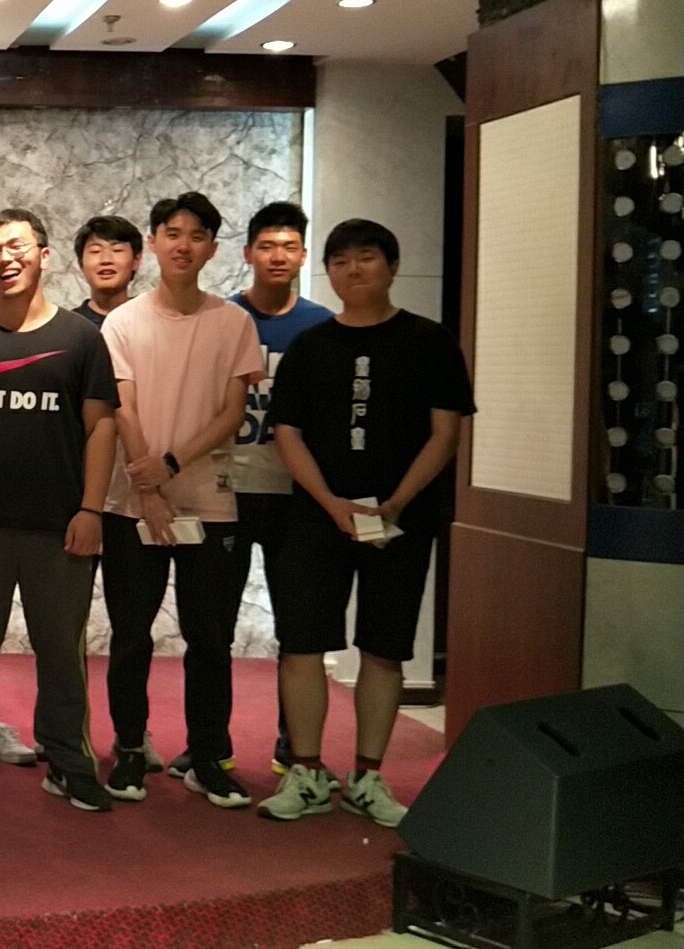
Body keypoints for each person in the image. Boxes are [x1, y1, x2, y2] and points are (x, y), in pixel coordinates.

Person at [262, 218, 473, 829]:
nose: (353, 270)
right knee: (302, 644)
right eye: (341, 261)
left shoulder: (430, 341)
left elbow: (445, 433)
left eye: (366, 258)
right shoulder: (310, 345)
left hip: (402, 521)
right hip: (315, 518)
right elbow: (287, 433)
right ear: (327, 271)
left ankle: (367, 776)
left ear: (392, 265)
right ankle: (305, 772)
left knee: (384, 648)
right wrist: (332, 503)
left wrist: (397, 503)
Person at [0, 209, 119, 812]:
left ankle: (68, 762)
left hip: (60, 527)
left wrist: (91, 509)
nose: (3, 259)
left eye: (15, 246)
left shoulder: (82, 338)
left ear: (43, 254)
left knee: (62, 653)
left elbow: (102, 426)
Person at [99, 192, 264, 809]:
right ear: (153, 243)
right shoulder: (123, 322)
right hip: (129, 507)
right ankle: (130, 751)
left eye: (197, 235)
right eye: (172, 233)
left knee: (210, 639)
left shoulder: (233, 322)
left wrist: (166, 468)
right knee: (130, 636)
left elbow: (231, 413)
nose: (183, 245)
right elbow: (123, 408)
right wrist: (148, 490)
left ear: (213, 249)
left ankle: (208, 756)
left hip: (210, 505)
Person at [183, 200, 331, 782]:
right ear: (247, 253)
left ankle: (295, 749)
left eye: (289, 246)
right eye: (266, 246)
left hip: (296, 497)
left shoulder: (321, 326)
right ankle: (208, 747)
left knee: (298, 632)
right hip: (227, 493)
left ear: (303, 256)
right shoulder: (222, 318)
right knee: (211, 630)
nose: (277, 256)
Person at [73, 215, 143, 327]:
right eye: (95, 251)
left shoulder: (151, 322)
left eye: (117, 250)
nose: (106, 260)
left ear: (136, 261)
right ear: (81, 264)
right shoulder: (68, 328)